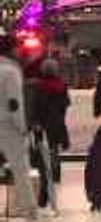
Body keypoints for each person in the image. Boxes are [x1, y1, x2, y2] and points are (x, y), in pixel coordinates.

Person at [0, 31, 45, 221]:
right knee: (20, 168)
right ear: (11, 49)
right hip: (8, 125)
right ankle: (30, 210)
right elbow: (14, 102)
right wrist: (21, 126)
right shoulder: (10, 71)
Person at [28, 58, 70, 189]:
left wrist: (34, 121)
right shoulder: (61, 85)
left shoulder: (39, 86)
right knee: (55, 149)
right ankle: (56, 173)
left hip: (42, 122)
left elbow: (35, 105)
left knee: (42, 148)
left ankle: (45, 172)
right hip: (57, 122)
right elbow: (66, 103)